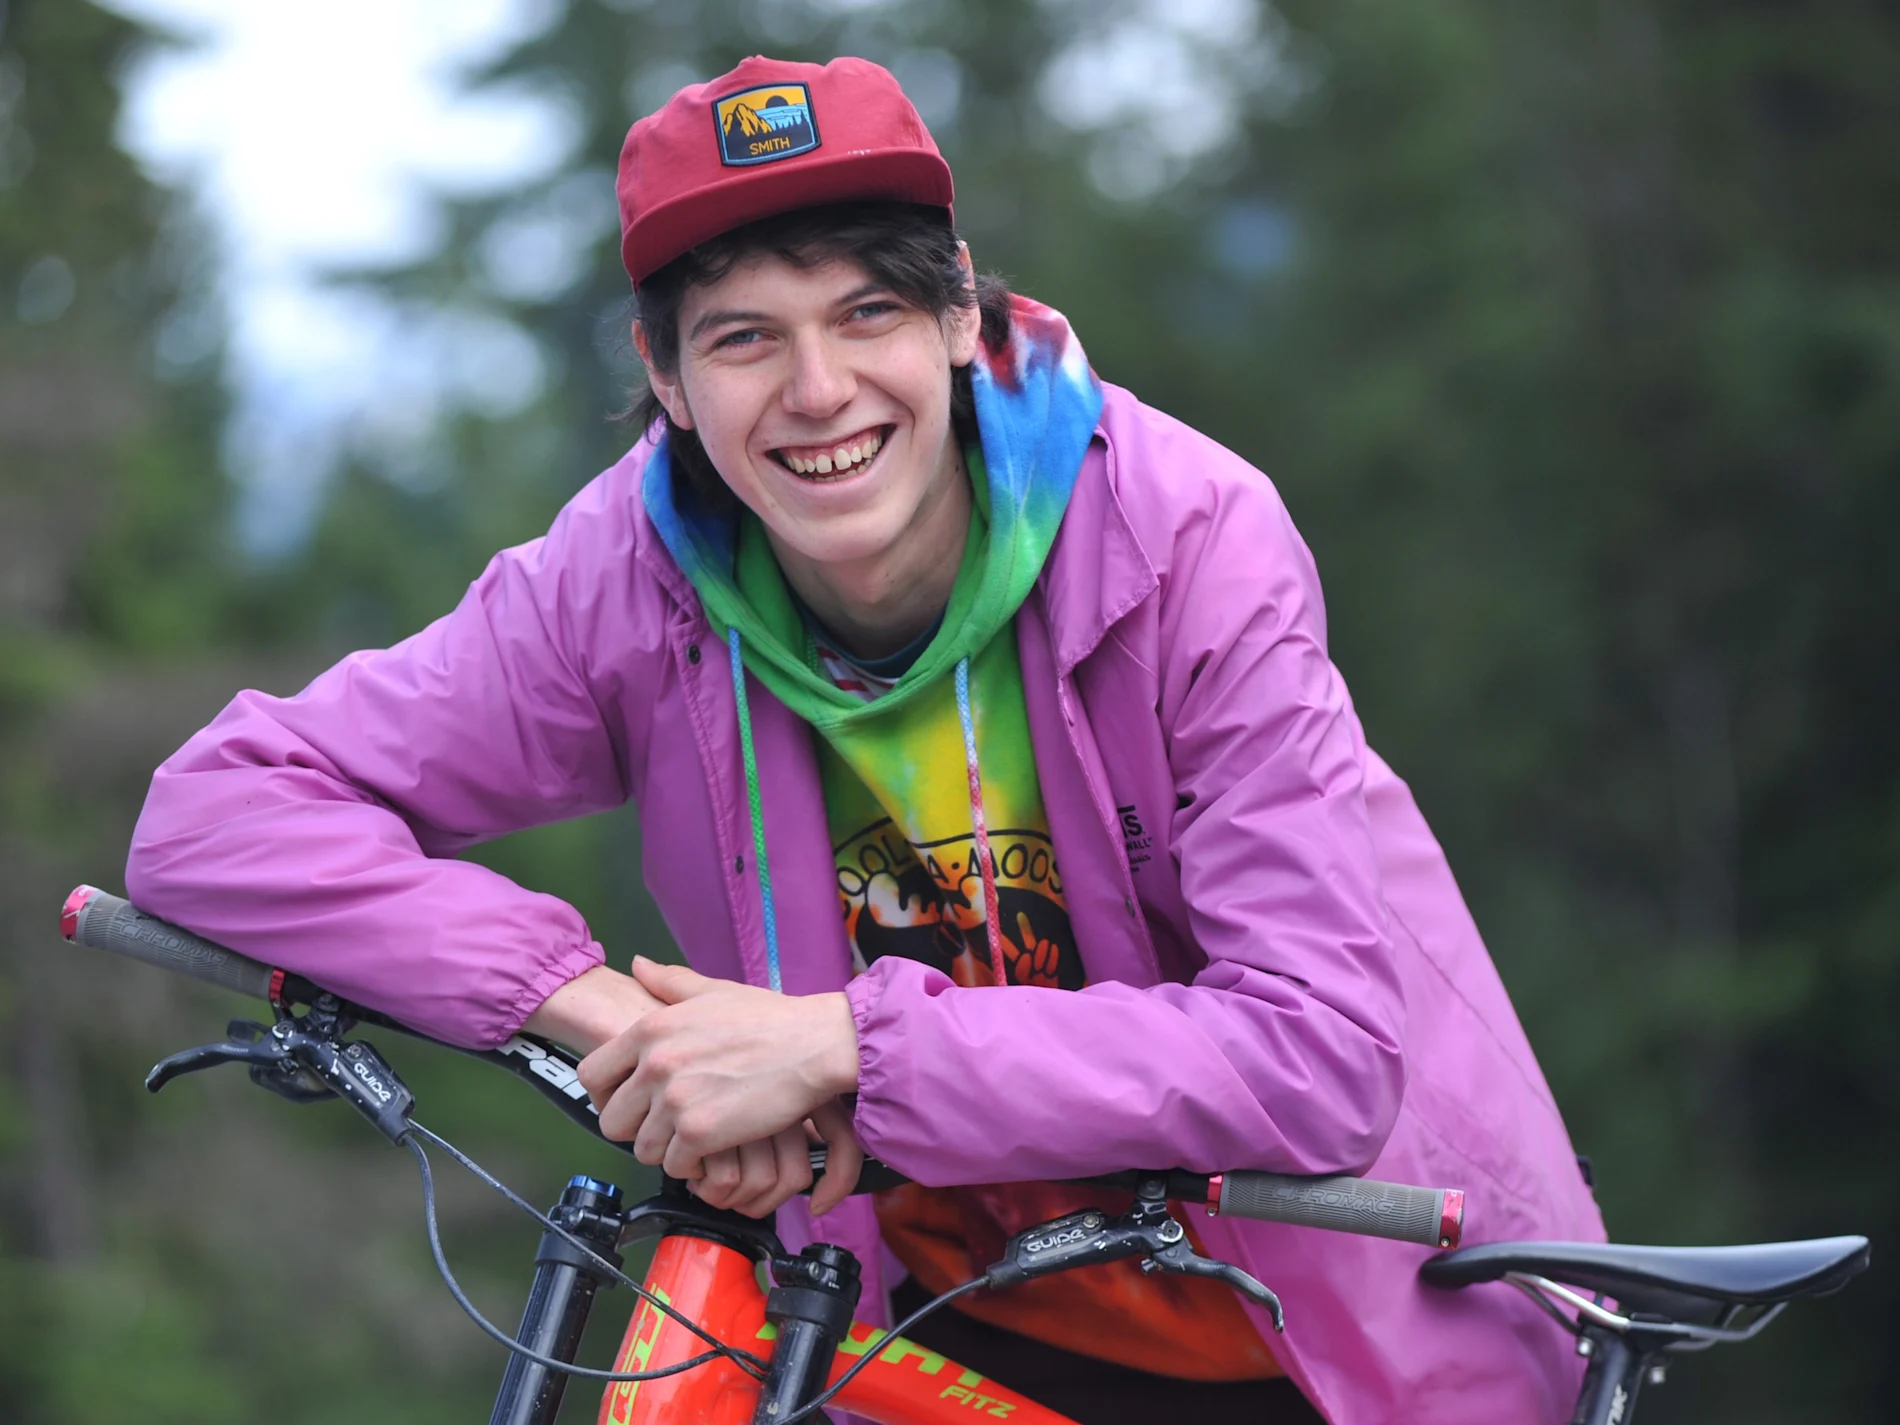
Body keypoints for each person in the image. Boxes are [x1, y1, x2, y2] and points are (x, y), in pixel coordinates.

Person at [125, 54, 1605, 1425]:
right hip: (931, 1332)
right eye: (744, 339)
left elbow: (1321, 1055)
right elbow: (220, 811)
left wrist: (836, 1044)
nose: (819, 391)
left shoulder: (1186, 538)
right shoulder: (628, 577)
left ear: (961, 315)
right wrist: (611, 1017)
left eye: (867, 314)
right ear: (665, 376)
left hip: (1324, 1334)